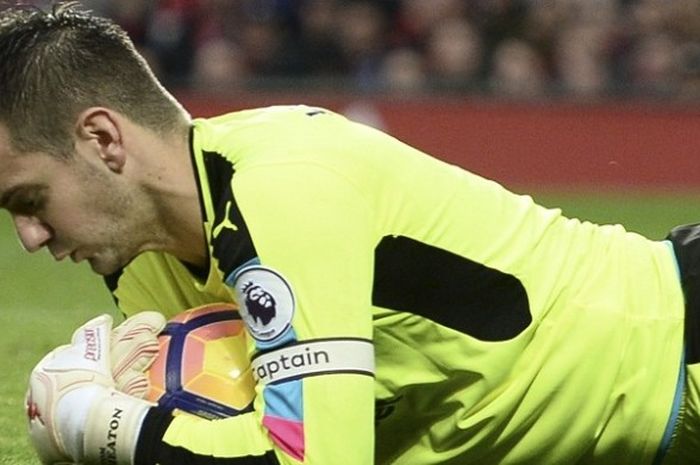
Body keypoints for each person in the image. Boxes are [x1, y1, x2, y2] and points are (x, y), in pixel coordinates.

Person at [0, 3, 698, 465]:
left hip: (678, 352)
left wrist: (106, 425)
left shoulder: (285, 190)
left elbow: (316, 456)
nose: (30, 236)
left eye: (30, 199)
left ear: (102, 139)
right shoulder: (143, 264)